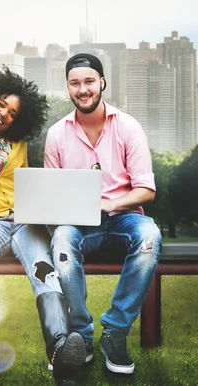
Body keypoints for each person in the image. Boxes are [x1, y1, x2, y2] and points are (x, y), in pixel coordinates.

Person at [0, 67, 86, 385]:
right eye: (0, 103)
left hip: (25, 221)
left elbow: (27, 184)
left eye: (12, 113)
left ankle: (61, 351)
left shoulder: (18, 143)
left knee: (44, 269)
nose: (3, 114)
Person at [44, 53, 161, 375]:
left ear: (102, 83)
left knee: (150, 236)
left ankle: (115, 332)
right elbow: (52, 193)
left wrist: (109, 204)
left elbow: (146, 190)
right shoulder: (56, 134)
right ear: (68, 87)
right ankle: (80, 334)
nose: (83, 89)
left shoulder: (128, 126)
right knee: (63, 240)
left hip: (124, 217)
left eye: (89, 82)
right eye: (75, 83)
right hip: (80, 223)